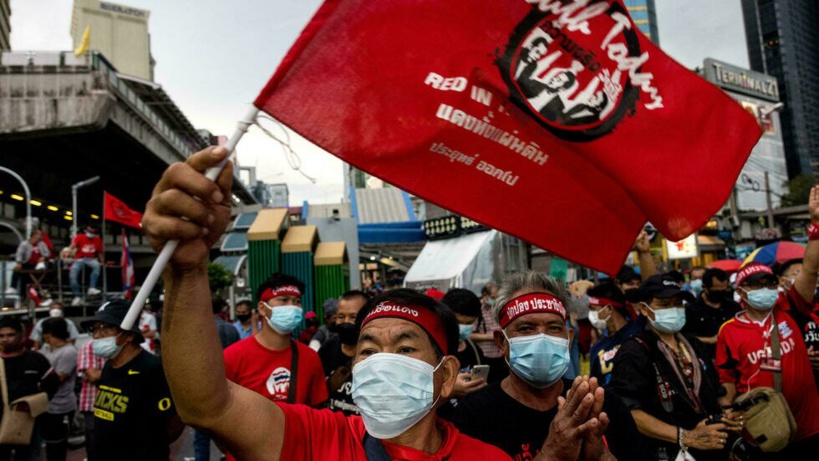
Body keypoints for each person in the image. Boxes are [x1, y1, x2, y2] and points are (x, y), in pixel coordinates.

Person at [142, 146, 619, 460]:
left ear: (447, 375)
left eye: (406, 349)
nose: (381, 362)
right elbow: (207, 406)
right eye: (368, 350)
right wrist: (187, 271)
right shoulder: (319, 440)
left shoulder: (484, 456)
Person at [452, 271, 642, 460]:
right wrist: (551, 455)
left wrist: (601, 456)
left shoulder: (603, 408)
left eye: (554, 328)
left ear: (569, 339)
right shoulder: (473, 416)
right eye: (526, 328)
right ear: (502, 342)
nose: (542, 338)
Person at [610, 273, 741, 461]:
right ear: (645, 309)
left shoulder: (692, 342)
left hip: (712, 447)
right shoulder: (634, 351)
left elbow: (716, 392)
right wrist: (685, 436)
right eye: (664, 305)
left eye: (678, 304)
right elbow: (630, 411)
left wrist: (728, 414)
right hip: (667, 452)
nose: (673, 310)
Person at [716, 262, 819, 456]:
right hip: (764, 429)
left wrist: (815, 235)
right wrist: (729, 415)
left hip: (809, 425)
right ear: (742, 291)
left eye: (770, 284)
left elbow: (811, 270)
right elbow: (727, 378)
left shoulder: (789, 310)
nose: (765, 289)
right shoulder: (728, 331)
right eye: (756, 285)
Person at [80, 300, 184, 461]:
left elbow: (174, 423)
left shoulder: (152, 370)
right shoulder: (109, 367)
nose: (96, 335)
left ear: (128, 335)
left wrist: (150, 448)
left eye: (106, 328)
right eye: (94, 329)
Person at [0, 316, 59, 461]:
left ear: (21, 335)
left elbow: (52, 384)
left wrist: (35, 405)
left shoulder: (36, 359)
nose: (5, 339)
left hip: (28, 423)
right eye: (1, 336)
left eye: (10, 335)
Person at [194, 295, 240, 461]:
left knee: (201, 436)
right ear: (222, 309)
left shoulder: (199, 329)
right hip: (229, 387)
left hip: (204, 387)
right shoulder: (232, 329)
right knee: (231, 433)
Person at [318, 290, 368, 416]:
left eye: (353, 317)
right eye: (341, 317)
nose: (346, 322)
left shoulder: (377, 354)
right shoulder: (327, 348)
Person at [586, 280, 642, 386]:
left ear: (608, 308)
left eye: (593, 309)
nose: (591, 314)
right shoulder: (597, 349)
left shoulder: (638, 332)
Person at [682, 267, 741, 362]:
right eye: (716, 291)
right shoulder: (690, 309)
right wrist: (710, 340)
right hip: (705, 359)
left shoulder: (733, 307)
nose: (721, 294)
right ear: (705, 287)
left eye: (724, 290)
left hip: (732, 359)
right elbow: (684, 337)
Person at [39, 318, 78, 461]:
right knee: (48, 443)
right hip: (46, 404)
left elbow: (58, 379)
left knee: (57, 446)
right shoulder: (46, 348)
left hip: (60, 405)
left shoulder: (68, 352)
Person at [76, 335, 105, 461]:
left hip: (120, 403)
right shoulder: (91, 346)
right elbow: (93, 375)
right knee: (94, 442)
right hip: (94, 402)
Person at [10, 229, 52, 306]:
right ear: (34, 235)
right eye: (39, 235)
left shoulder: (41, 244)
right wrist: (19, 262)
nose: (40, 237)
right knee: (17, 269)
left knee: (43, 272)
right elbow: (19, 254)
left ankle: (43, 294)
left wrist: (43, 257)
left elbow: (47, 253)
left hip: (39, 264)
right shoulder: (24, 244)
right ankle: (13, 287)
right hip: (28, 263)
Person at [65, 225, 104, 307]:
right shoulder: (80, 237)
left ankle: (92, 288)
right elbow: (72, 246)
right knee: (73, 274)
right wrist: (67, 253)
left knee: (97, 266)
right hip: (79, 259)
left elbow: (100, 252)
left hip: (91, 259)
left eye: (93, 232)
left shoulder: (97, 240)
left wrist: (103, 262)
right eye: (90, 232)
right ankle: (77, 296)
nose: (91, 234)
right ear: (86, 231)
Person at [472, 281, 502, 359]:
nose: (495, 300)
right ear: (485, 295)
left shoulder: (499, 309)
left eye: (497, 298)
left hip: (500, 354)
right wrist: (490, 336)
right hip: (484, 355)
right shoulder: (477, 310)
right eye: (493, 298)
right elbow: (469, 335)